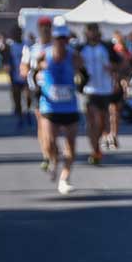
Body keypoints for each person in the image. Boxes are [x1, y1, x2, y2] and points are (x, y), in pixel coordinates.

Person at [33, 23, 85, 194]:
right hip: (49, 106)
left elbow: (84, 74)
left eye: (64, 39)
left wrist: (80, 85)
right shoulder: (44, 55)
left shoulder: (74, 56)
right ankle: (53, 160)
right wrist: (37, 84)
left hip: (69, 107)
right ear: (53, 39)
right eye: (58, 39)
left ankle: (64, 178)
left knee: (71, 145)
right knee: (49, 143)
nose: (61, 42)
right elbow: (33, 73)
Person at [78, 23, 122, 164]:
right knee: (92, 121)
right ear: (86, 33)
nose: (92, 33)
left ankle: (97, 146)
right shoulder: (80, 49)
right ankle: (95, 151)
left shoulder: (107, 47)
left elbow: (121, 64)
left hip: (105, 89)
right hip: (88, 89)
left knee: (102, 123)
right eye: (90, 31)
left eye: (95, 30)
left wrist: (113, 69)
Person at [21, 17, 56, 170]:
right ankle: (46, 155)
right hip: (38, 89)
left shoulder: (57, 48)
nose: (45, 29)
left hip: (54, 90)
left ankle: (51, 149)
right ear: (39, 29)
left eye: (48, 26)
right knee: (42, 123)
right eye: (43, 27)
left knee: (52, 125)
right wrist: (33, 73)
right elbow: (23, 68)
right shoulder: (31, 48)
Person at [5, 31, 29, 129]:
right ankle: (20, 117)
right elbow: (8, 61)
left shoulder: (26, 45)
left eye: (18, 34)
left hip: (26, 77)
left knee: (28, 97)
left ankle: (27, 112)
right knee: (17, 98)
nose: (16, 36)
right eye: (15, 34)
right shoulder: (11, 47)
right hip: (16, 77)